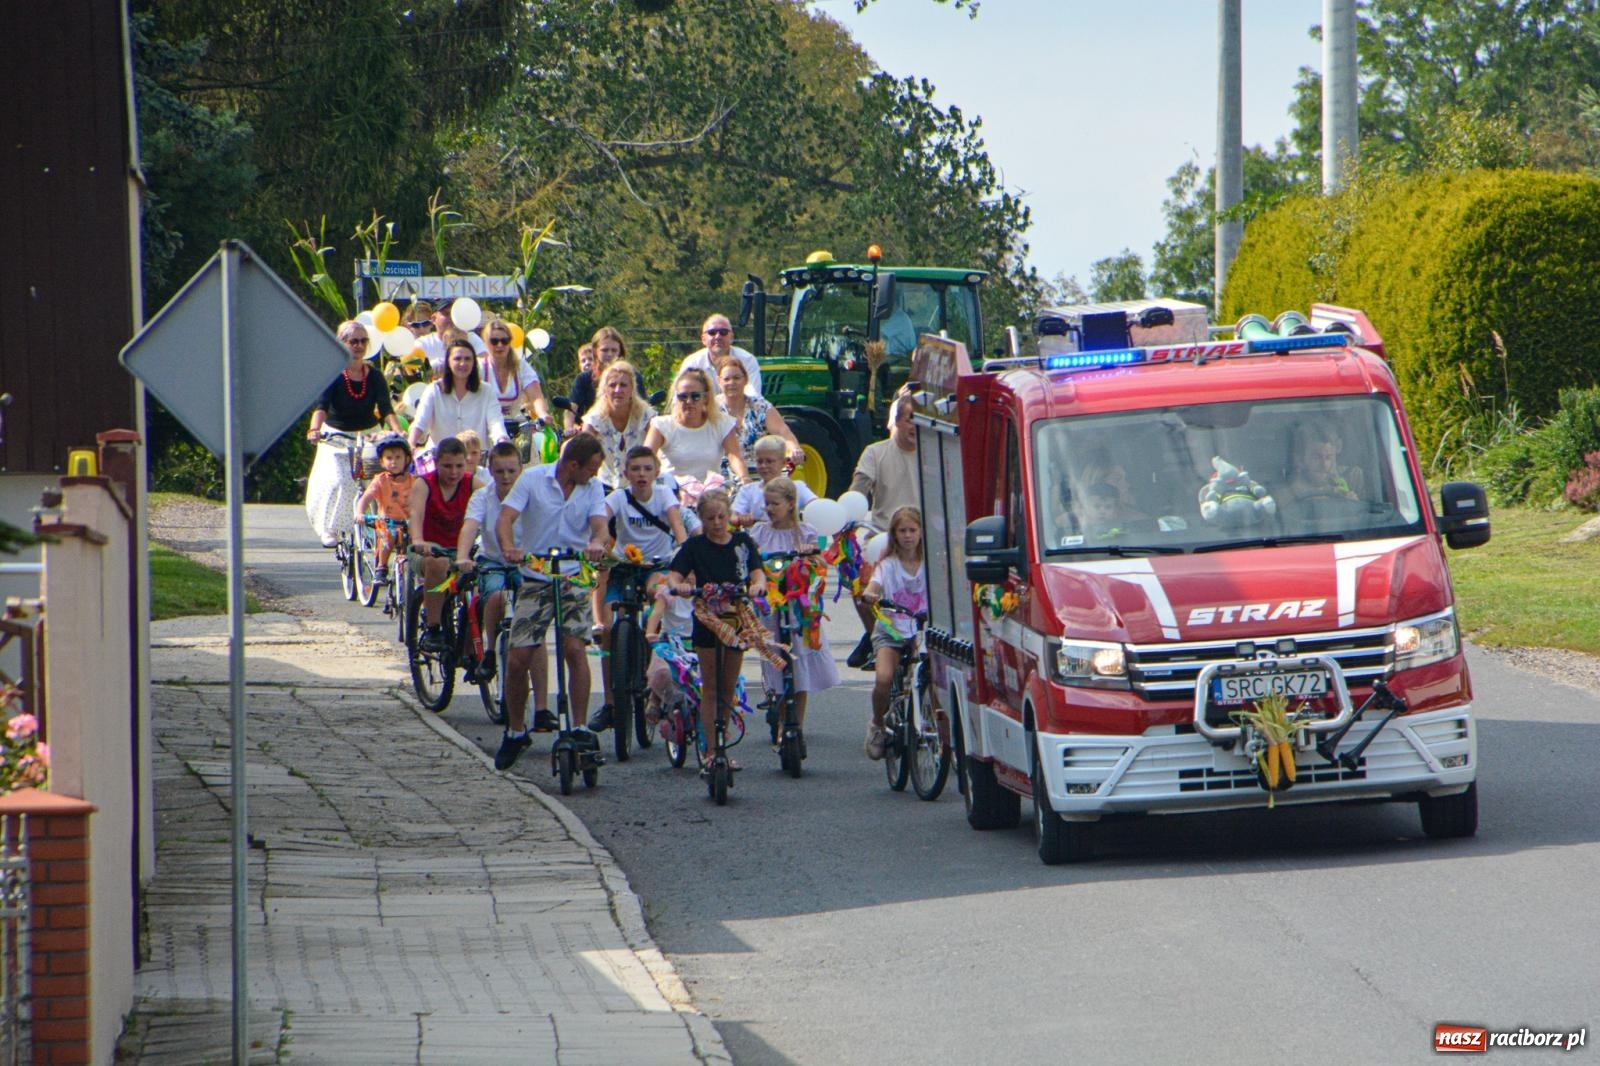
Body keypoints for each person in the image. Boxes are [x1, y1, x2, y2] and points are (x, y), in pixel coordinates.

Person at [492, 434, 610, 771]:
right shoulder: (533, 479)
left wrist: (596, 543)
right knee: (518, 658)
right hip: (537, 575)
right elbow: (505, 517)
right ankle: (516, 731)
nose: (594, 474)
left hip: (573, 576)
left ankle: (580, 726)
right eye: (591, 468)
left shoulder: (592, 488)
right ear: (573, 465)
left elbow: (600, 526)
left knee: (575, 649)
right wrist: (509, 548)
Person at [669, 488, 770, 773]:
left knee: (728, 686)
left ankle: (723, 742)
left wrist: (758, 585)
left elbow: (757, 571)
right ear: (702, 518)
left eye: (721, 517)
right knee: (711, 687)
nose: (716, 523)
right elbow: (674, 575)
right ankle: (711, 750)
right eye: (710, 518)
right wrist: (680, 586)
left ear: (729, 516)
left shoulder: (741, 542)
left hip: (736, 617)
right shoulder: (695, 547)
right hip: (707, 618)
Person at [590, 446, 688, 732]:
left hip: (657, 565)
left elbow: (677, 523)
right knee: (609, 629)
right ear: (626, 473)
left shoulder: (664, 495)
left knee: (657, 595)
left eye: (647, 469)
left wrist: (685, 550)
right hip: (625, 565)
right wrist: (596, 540)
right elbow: (601, 518)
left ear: (657, 472)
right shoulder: (619, 497)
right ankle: (610, 703)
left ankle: (652, 658)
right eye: (635, 469)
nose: (642, 474)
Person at [749, 477, 839, 751]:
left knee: (799, 665)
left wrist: (811, 554)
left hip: (798, 609)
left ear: (790, 504)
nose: (769, 509)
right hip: (771, 607)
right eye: (766, 504)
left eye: (774, 504)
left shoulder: (807, 532)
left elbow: (822, 562)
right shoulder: (759, 532)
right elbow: (749, 561)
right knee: (777, 659)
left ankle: (795, 725)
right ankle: (779, 713)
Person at [305, 320, 403, 547]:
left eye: (363, 341)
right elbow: (321, 407)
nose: (359, 346)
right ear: (342, 343)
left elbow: (386, 409)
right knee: (342, 480)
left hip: (367, 435)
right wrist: (314, 430)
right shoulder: (333, 374)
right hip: (336, 437)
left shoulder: (374, 376)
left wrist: (398, 431)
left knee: (376, 482)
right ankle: (332, 528)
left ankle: (375, 528)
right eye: (353, 341)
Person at [844, 396, 918, 667]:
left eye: (920, 420)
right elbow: (859, 488)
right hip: (881, 536)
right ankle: (874, 636)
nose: (915, 426)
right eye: (910, 418)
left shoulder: (934, 453)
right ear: (896, 421)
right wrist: (849, 514)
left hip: (921, 539)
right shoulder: (875, 453)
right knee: (859, 584)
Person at [455, 441, 524, 684]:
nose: (506, 477)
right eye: (499, 471)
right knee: (495, 594)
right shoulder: (482, 496)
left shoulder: (530, 494)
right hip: (492, 560)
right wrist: (463, 557)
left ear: (520, 469)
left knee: (529, 594)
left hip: (525, 562)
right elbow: (470, 527)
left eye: (511, 471)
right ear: (490, 471)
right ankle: (492, 651)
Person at [860, 505, 926, 760]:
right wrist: (871, 593)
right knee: (884, 679)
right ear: (894, 535)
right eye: (902, 531)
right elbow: (874, 584)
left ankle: (935, 725)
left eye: (912, 530)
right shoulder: (888, 565)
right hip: (892, 629)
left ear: (921, 532)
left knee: (932, 677)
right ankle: (877, 724)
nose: (908, 536)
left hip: (921, 630)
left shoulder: (930, 563)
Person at [406, 436, 473, 651]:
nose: (454, 472)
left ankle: (471, 644)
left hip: (460, 551)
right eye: (447, 466)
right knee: (438, 564)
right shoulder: (424, 484)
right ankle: (433, 628)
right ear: (436, 463)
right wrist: (418, 540)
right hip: (428, 549)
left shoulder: (472, 483)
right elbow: (416, 514)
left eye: (459, 466)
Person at [643, 368, 749, 484]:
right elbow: (645, 458)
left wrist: (744, 478)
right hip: (672, 490)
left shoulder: (721, 423)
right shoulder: (662, 425)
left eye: (695, 396)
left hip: (710, 491)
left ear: (705, 398)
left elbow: (734, 456)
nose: (689, 401)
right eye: (683, 396)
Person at [408, 338, 509, 456]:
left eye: (467, 359)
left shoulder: (486, 391)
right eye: (457, 359)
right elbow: (420, 421)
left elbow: (495, 422)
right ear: (448, 362)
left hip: (476, 459)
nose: (463, 363)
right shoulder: (434, 390)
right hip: (440, 458)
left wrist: (502, 442)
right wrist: (411, 444)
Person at [715, 355, 802, 477]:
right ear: (719, 381)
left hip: (761, 474)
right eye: (726, 379)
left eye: (736, 378)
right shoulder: (711, 409)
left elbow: (782, 431)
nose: (732, 383)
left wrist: (795, 449)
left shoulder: (760, 406)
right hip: (722, 476)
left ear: (745, 379)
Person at [580, 359, 658, 488]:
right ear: (605, 390)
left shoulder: (646, 416)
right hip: (605, 486)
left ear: (632, 389)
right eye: (612, 385)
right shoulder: (594, 420)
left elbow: (657, 455)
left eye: (623, 385)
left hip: (641, 486)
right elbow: (583, 455)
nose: (618, 390)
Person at [353, 435, 415, 581]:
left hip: (409, 522)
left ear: (406, 459)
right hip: (387, 522)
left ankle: (418, 572)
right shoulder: (380, 480)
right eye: (389, 458)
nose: (394, 462)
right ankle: (382, 566)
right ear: (381, 461)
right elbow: (366, 498)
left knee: (418, 541)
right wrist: (360, 513)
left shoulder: (413, 481)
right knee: (389, 536)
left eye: (398, 457)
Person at [567, 328, 644, 433]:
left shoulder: (634, 377)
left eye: (614, 350)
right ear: (595, 351)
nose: (610, 354)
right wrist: (570, 428)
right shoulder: (583, 379)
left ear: (620, 352)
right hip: (589, 433)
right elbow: (571, 410)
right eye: (605, 350)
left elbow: (641, 409)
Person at [480, 316, 551, 426]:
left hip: (516, 426)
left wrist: (542, 414)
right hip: (485, 424)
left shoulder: (521, 366)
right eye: (494, 341)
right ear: (486, 343)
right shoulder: (479, 367)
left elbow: (536, 397)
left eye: (504, 341)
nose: (500, 345)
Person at [733, 435, 818, 526]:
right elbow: (733, 516)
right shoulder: (748, 490)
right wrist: (741, 518)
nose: (763, 466)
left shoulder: (797, 487)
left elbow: (818, 507)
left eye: (769, 461)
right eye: (759, 461)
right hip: (756, 534)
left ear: (784, 462)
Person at [677, 314, 762, 397]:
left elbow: (753, 396)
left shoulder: (747, 360)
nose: (718, 336)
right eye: (712, 332)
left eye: (723, 332)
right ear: (703, 339)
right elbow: (679, 397)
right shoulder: (692, 363)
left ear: (731, 337)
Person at [1287, 425, 1361, 500]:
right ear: (1300, 460)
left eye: (1328, 458)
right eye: (1316, 458)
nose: (1324, 465)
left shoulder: (1352, 477)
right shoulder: (1289, 492)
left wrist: (1352, 502)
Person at [419, 297, 487, 374]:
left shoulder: (472, 339)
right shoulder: (423, 344)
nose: (453, 318)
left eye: (456, 314)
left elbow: (485, 366)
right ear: (434, 319)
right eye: (447, 314)